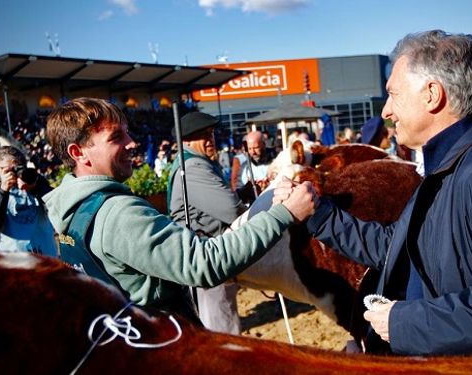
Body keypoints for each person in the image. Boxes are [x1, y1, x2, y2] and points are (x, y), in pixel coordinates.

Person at [278, 30, 472, 357]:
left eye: (394, 94)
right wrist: (318, 213)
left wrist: (405, 322)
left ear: (432, 94)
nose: (386, 111)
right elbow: (398, 246)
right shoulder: (448, 170)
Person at [42, 97, 317, 319]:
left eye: (127, 133)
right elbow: (204, 264)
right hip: (159, 347)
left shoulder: (74, 210)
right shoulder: (117, 213)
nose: (131, 143)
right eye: (116, 137)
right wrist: (285, 213)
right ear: (79, 153)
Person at [168, 111, 247, 334]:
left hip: (207, 250)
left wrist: (241, 192)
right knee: (221, 328)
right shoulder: (193, 167)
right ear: (187, 141)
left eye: (211, 133)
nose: (210, 139)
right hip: (205, 256)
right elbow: (232, 210)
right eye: (203, 135)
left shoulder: (197, 162)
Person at [0, 146, 57, 256]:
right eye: (8, 170)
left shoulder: (35, 181)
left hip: (46, 258)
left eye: (17, 169)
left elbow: (56, 205)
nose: (13, 174)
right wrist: (3, 191)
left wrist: (34, 188)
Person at [236, 130, 273, 203]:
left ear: (263, 145)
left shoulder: (275, 161)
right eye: (250, 149)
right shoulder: (245, 167)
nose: (253, 152)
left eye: (256, 148)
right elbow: (238, 189)